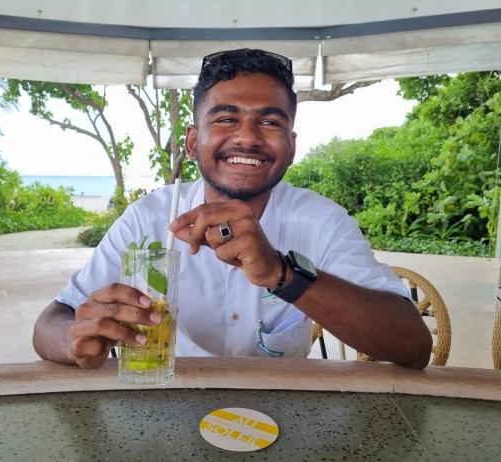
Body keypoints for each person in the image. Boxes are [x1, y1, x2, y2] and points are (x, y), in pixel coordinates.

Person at [33, 48, 432, 370]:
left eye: (270, 123)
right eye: (225, 118)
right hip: (166, 409)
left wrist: (283, 274)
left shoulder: (321, 222)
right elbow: (51, 322)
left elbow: (413, 345)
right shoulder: (150, 218)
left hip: (285, 414)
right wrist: (75, 340)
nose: (247, 138)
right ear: (192, 142)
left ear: (291, 146)